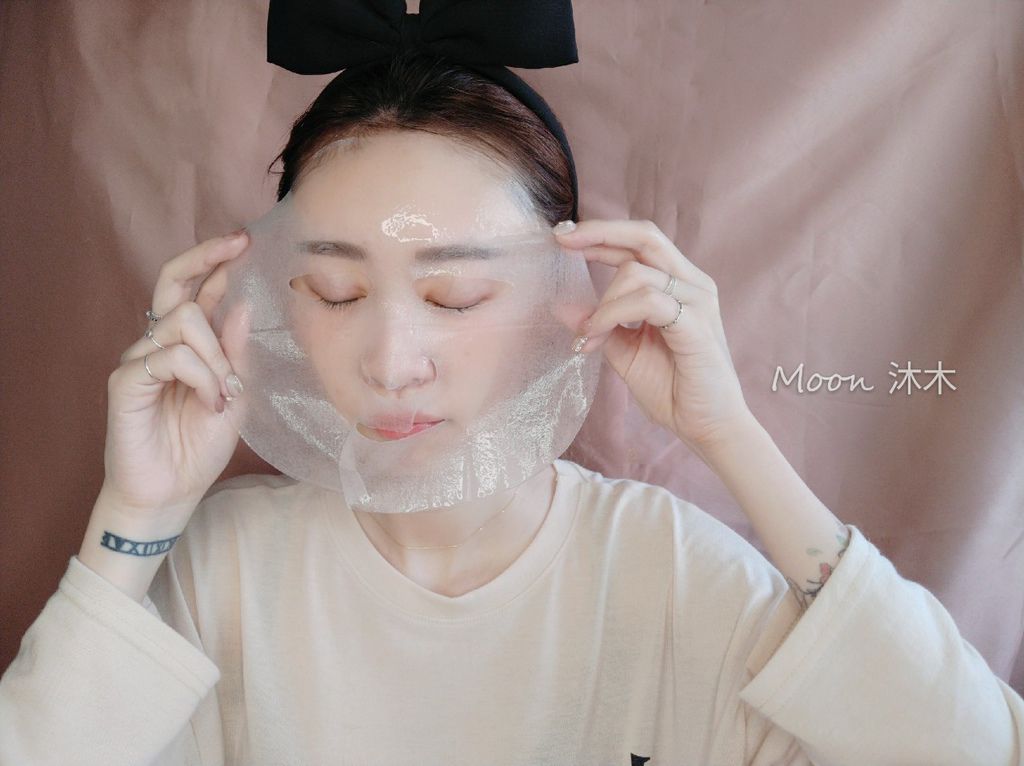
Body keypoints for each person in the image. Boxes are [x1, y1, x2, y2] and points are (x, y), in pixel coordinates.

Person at [2, 5, 1023, 765]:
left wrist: (732, 439)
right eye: (335, 290)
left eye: (454, 297)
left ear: (561, 296)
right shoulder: (215, 572)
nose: (391, 359)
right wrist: (132, 519)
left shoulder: (673, 576)